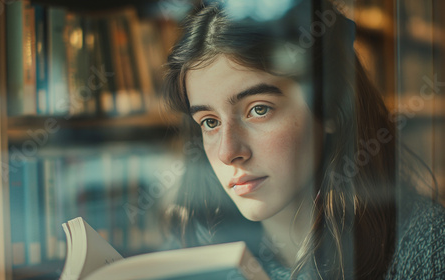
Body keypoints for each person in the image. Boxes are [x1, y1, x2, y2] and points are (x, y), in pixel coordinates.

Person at [161, 0, 445, 279]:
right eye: (210, 122)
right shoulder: (201, 254)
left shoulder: (427, 250)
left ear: (332, 105)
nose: (228, 152)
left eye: (259, 109)